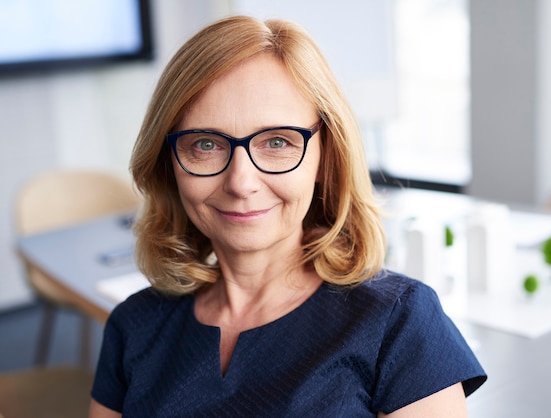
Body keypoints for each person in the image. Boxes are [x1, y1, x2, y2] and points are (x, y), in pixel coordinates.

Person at [89, 15, 486, 417]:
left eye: (277, 141)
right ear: (168, 164)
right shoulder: (133, 326)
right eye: (205, 144)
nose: (241, 182)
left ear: (326, 156)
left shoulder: (398, 322)